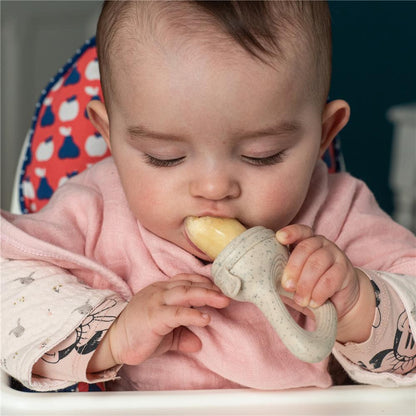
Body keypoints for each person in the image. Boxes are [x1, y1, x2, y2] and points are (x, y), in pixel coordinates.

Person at [1, 1, 415, 392]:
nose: (214, 189)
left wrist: (358, 302)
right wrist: (115, 333)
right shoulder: (95, 208)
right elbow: (9, 296)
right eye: (166, 158)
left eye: (262, 155)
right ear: (110, 137)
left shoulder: (338, 211)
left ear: (323, 136)